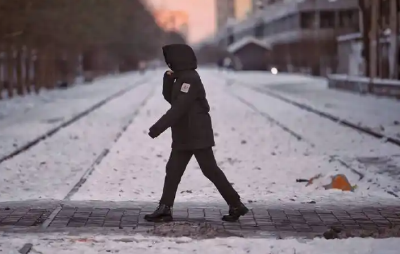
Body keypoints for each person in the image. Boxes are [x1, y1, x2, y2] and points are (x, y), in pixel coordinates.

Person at [145, 44, 248, 223]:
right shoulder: (181, 78)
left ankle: (236, 204)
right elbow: (170, 98)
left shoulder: (190, 79)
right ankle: (165, 208)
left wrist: (158, 128)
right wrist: (168, 79)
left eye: (170, 59)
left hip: (197, 134)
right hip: (184, 134)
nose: (168, 63)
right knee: (173, 170)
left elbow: (179, 107)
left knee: (210, 170)